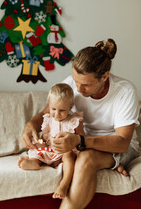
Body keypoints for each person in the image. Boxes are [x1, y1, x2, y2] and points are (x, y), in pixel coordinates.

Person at [20, 39, 140, 209]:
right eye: (76, 81)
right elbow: (45, 113)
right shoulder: (72, 83)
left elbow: (122, 143)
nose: (78, 89)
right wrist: (30, 124)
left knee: (86, 158)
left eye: (85, 84)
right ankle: (112, 165)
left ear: (104, 76)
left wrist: (79, 141)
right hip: (82, 143)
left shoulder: (124, 92)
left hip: (118, 146)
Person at [18, 83, 84, 199]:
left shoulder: (74, 121)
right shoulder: (48, 119)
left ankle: (64, 184)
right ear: (49, 105)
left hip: (65, 151)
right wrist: (40, 141)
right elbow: (45, 136)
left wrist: (74, 143)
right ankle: (34, 162)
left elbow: (82, 139)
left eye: (62, 110)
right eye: (53, 109)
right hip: (49, 149)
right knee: (35, 148)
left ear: (71, 106)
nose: (57, 114)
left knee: (69, 156)